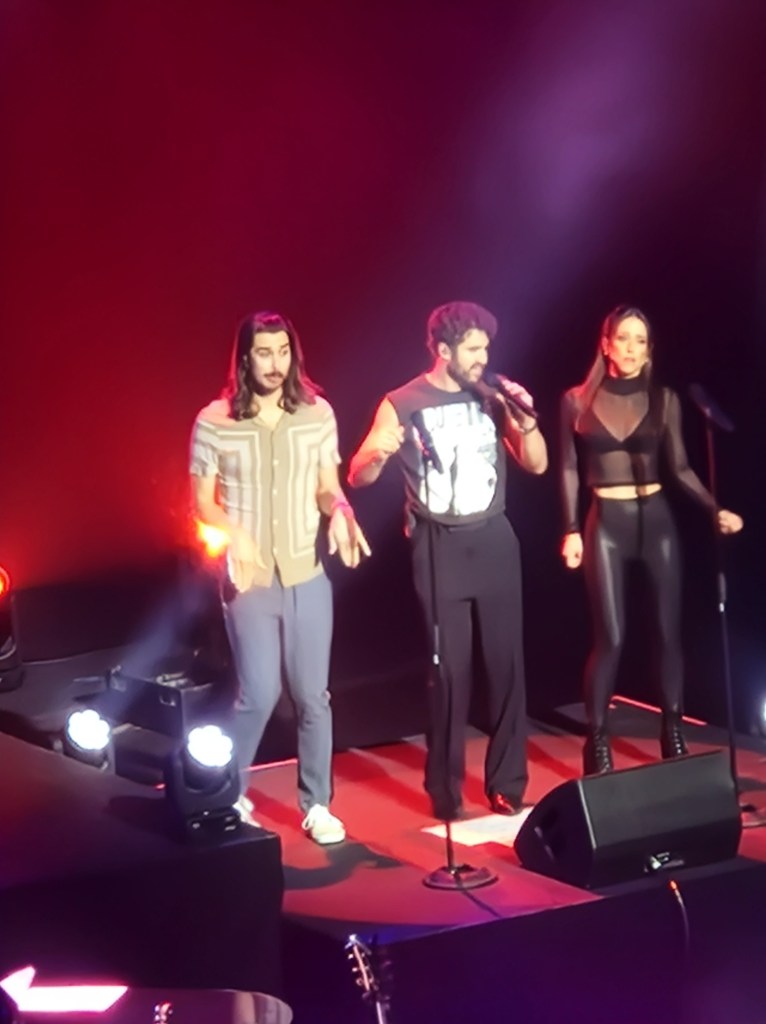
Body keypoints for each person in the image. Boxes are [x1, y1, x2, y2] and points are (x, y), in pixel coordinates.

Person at [348, 301, 547, 820]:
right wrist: (377, 452)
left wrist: (525, 422)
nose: (483, 358)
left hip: (494, 538)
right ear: (442, 350)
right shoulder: (402, 402)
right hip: (439, 544)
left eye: (486, 347)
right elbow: (358, 476)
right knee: (450, 672)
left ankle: (508, 784)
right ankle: (445, 788)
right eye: (473, 348)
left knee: (506, 665)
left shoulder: (493, 394)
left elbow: (537, 464)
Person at [190, 310, 370, 844]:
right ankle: (227, 793)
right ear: (245, 358)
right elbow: (201, 502)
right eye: (264, 353)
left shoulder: (316, 414)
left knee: (314, 696)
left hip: (305, 573)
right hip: (250, 580)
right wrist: (234, 532)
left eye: (283, 352)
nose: (275, 364)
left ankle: (318, 805)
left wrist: (341, 510)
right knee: (259, 693)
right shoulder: (215, 420)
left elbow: (327, 486)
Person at [560, 305, 744, 775]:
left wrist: (715, 509)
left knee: (667, 632)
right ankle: (597, 740)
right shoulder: (577, 401)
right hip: (606, 521)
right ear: (606, 344)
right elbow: (568, 469)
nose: (632, 349)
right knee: (611, 636)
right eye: (624, 339)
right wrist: (571, 529)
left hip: (656, 518)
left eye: (641, 341)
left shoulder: (664, 400)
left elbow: (680, 467)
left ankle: (673, 732)